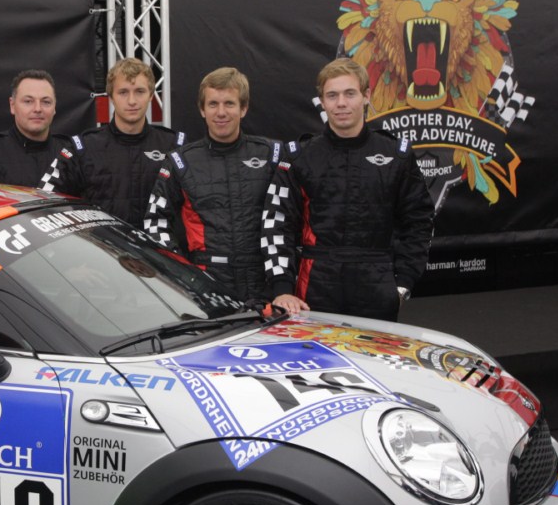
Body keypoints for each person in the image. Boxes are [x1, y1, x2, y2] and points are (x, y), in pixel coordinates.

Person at [263, 57, 433, 322]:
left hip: (377, 284)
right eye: (332, 95)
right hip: (315, 286)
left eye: (349, 93)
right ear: (322, 101)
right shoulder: (299, 156)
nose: (341, 103)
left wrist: (403, 284)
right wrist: (282, 288)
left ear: (366, 96)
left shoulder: (396, 154)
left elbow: (419, 221)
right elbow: (276, 223)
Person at [144, 67, 284, 305]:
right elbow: (155, 222)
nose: (221, 112)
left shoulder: (272, 154)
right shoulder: (180, 161)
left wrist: (283, 281)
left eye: (229, 103)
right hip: (207, 285)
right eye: (213, 104)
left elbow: (289, 222)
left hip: (265, 283)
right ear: (202, 109)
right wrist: (183, 274)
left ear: (243, 108)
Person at [42, 57, 184, 227]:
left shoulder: (174, 146)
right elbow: (45, 199)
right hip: (100, 244)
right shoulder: (82, 148)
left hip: (155, 245)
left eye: (140, 91)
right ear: (111, 97)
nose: (132, 101)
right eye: (123, 92)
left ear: (151, 95)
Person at [0, 70, 71, 187]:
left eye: (46, 102)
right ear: (12, 105)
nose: (38, 109)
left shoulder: (71, 154)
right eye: (28, 101)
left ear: (54, 107)